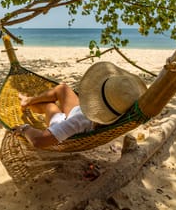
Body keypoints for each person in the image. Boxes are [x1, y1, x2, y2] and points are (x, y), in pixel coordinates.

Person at [13, 61, 147, 149]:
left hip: (73, 118)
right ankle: (28, 101)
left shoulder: (78, 121)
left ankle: (29, 103)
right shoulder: (124, 107)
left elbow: (39, 141)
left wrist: (24, 128)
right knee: (62, 88)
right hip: (83, 112)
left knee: (50, 106)